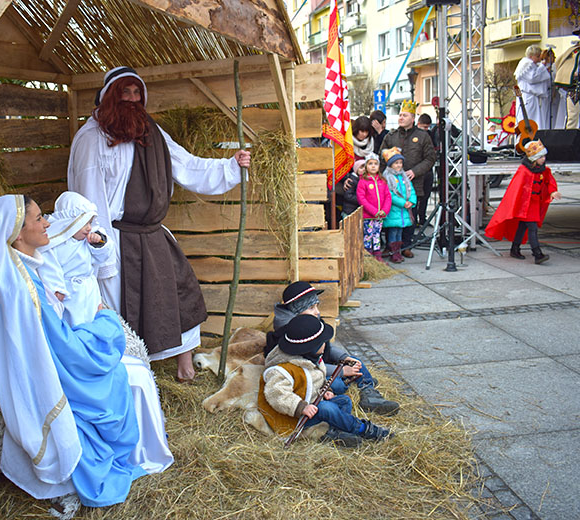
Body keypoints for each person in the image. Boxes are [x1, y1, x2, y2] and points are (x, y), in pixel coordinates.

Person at [0, 194, 171, 507]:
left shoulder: (10, 269)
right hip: (47, 378)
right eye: (37, 219)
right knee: (122, 378)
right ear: (16, 233)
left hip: (40, 363)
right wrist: (106, 326)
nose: (46, 222)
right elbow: (64, 347)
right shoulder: (23, 287)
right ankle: (136, 452)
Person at [68, 67, 250, 382]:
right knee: (126, 311)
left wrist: (230, 166)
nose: (133, 99)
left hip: (153, 235)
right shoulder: (92, 139)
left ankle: (184, 362)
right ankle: (134, 372)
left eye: (137, 93)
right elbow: (90, 198)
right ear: (110, 97)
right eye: (125, 93)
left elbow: (186, 164)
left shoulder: (150, 130)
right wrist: (102, 252)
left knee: (181, 296)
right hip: (116, 240)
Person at [264, 281, 399, 415]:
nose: (317, 312)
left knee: (355, 361)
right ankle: (357, 382)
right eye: (311, 307)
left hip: (323, 362)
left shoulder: (310, 321)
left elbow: (324, 346)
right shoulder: (294, 334)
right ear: (296, 310)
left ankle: (368, 392)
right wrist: (341, 371)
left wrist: (343, 357)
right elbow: (308, 366)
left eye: (317, 306)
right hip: (310, 374)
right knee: (338, 384)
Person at [258, 314, 393, 447]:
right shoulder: (282, 370)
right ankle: (364, 429)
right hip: (292, 418)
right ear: (312, 346)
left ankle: (338, 431)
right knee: (326, 408)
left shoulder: (311, 359)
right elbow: (277, 395)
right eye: (322, 342)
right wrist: (301, 407)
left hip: (312, 406)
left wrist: (326, 390)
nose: (325, 345)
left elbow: (312, 382)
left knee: (344, 401)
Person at [37, 191, 114, 327]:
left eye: (90, 222)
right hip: (70, 294)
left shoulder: (88, 240)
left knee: (93, 320)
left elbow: (103, 256)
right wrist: (57, 287)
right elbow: (49, 267)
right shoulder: (54, 243)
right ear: (70, 222)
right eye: (84, 223)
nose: (89, 227)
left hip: (89, 290)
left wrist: (99, 243)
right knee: (74, 322)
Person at [484, 140, 561, 264]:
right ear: (534, 158)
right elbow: (516, 188)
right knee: (532, 228)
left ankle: (515, 248)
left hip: (534, 203)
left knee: (522, 227)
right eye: (541, 156)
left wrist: (553, 192)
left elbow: (549, 182)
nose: (544, 158)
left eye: (544, 156)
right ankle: (537, 254)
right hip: (525, 205)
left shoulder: (544, 170)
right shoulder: (524, 170)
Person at [378, 99, 436, 246]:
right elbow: (381, 157)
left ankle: (407, 245)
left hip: (413, 183)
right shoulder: (391, 136)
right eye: (400, 115)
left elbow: (430, 158)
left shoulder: (423, 136)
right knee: (392, 215)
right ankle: (392, 245)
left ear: (413, 118)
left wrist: (415, 172)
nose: (401, 118)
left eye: (404, 115)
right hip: (393, 185)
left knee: (411, 214)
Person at [381, 147, 417, 264]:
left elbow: (411, 189)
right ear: (390, 164)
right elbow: (390, 194)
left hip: (403, 211)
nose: (399, 165)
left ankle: (398, 251)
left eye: (400, 163)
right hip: (394, 210)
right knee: (393, 232)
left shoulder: (403, 176)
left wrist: (411, 201)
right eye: (396, 163)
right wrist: (403, 203)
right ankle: (393, 252)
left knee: (399, 232)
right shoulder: (387, 177)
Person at [555, 24, 580, 135]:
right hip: (574, 87)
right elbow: (564, 66)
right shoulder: (573, 51)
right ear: (579, 36)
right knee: (572, 117)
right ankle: (571, 143)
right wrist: (574, 74)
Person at [356, 153, 391, 262]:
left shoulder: (382, 181)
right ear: (366, 166)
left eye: (375, 164)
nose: (373, 166)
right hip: (368, 216)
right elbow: (361, 199)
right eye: (370, 163)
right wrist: (374, 211)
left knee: (377, 235)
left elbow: (387, 196)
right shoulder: (363, 182)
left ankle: (377, 256)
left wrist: (384, 211)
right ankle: (367, 257)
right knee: (368, 236)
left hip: (379, 216)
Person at [514, 45, 553, 131]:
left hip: (533, 97)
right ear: (531, 56)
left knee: (536, 120)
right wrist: (543, 67)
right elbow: (533, 78)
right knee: (529, 120)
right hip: (528, 97)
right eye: (538, 56)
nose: (539, 59)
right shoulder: (526, 64)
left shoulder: (533, 64)